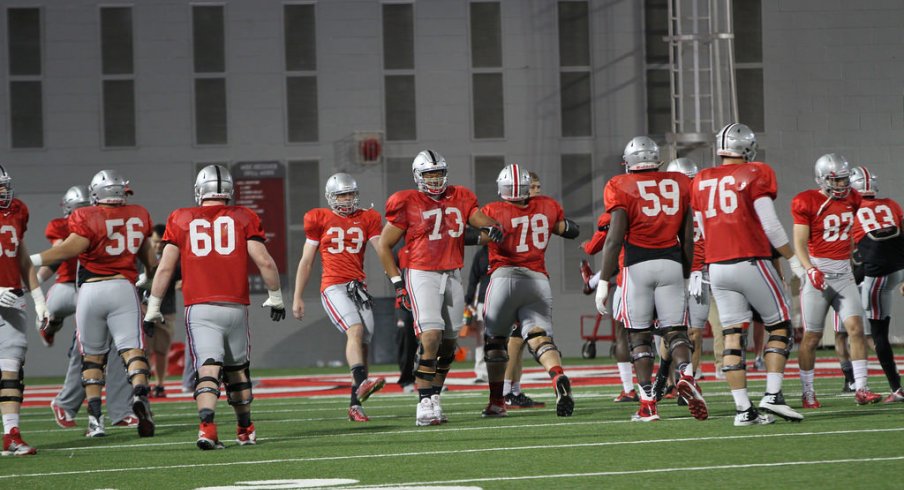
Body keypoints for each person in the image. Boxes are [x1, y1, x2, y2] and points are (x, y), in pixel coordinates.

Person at [144, 164, 284, 449]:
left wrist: (153, 307)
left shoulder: (181, 218)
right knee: (237, 370)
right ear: (229, 190)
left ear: (200, 191)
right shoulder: (244, 216)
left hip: (200, 307)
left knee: (208, 369)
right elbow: (266, 261)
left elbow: (164, 269)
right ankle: (245, 429)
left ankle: (207, 427)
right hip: (234, 306)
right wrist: (276, 296)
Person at [375, 149, 503, 426]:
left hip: (452, 273)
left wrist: (492, 226)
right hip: (421, 272)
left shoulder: (461, 196)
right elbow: (383, 245)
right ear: (418, 176)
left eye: (437, 173)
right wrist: (397, 282)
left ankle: (434, 395)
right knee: (430, 336)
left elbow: (476, 217)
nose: (434, 179)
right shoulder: (406, 201)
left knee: (449, 343)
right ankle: (423, 402)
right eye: (428, 174)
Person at [31, 169, 157, 439]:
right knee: (132, 351)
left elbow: (68, 250)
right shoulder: (138, 214)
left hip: (90, 289)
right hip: (124, 287)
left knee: (92, 357)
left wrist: (31, 260)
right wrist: (148, 283)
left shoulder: (85, 216)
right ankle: (140, 395)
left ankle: (95, 421)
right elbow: (151, 262)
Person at [690, 123, 802, 426]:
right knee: (780, 326)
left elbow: (698, 233)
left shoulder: (700, 180)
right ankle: (773, 396)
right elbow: (771, 224)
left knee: (731, 337)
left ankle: (744, 411)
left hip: (717, 267)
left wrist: (699, 268)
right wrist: (793, 259)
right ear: (748, 148)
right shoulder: (755, 173)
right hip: (750, 261)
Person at [596, 137, 706, 422]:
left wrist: (604, 281)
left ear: (629, 163)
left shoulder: (620, 185)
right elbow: (688, 235)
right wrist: (687, 273)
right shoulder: (679, 183)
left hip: (637, 265)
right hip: (670, 262)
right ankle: (686, 374)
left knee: (639, 337)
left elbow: (614, 238)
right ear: (656, 160)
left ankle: (647, 403)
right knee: (676, 332)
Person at [479, 164, 578, 418]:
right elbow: (570, 230)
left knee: (495, 342)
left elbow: (476, 237)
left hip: (504, 278)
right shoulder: (548, 206)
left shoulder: (493, 210)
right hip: (537, 280)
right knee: (539, 336)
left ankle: (497, 401)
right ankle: (557, 376)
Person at [292, 173, 386, 422]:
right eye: (341, 195)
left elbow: (381, 248)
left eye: (350, 194)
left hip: (358, 287)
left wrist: (398, 277)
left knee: (365, 342)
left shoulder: (368, 217)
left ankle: (356, 404)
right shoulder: (318, 218)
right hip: (333, 286)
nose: (346, 199)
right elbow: (306, 261)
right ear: (331, 197)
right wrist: (297, 296)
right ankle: (362, 383)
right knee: (354, 331)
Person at [791, 153, 882, 408]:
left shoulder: (853, 198)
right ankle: (808, 392)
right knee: (812, 337)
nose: (843, 185)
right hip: (818, 275)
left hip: (843, 274)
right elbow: (799, 241)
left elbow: (848, 232)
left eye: (844, 180)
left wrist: (852, 257)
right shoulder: (806, 201)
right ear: (823, 179)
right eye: (838, 180)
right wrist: (809, 269)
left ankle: (861, 387)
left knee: (856, 329)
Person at [42, 186, 135, 430]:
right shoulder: (69, 227)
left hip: (103, 290)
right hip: (77, 290)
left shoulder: (110, 222)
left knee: (116, 347)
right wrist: (30, 277)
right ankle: (69, 401)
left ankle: (119, 410)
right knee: (87, 349)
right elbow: (59, 255)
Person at [0, 163, 47, 456]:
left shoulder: (17, 210)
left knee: (12, 369)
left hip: (12, 299)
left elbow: (21, 257)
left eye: (4, 185)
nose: (4, 191)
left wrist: (39, 300)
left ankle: (11, 435)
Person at [849, 165, 903, 402]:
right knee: (879, 329)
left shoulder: (852, 209)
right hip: (897, 271)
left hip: (877, 275)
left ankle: (896, 388)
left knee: (877, 334)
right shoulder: (890, 203)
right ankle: (896, 388)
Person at [500, 171, 548, 409]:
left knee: (518, 340)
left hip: (527, 281)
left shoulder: (536, 211)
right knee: (514, 341)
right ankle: (505, 391)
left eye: (538, 187)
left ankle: (513, 390)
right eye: (533, 187)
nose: (536, 192)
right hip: (512, 280)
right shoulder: (511, 211)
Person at [579, 211, 637, 402]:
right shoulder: (662, 207)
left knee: (622, 334)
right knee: (663, 332)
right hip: (663, 274)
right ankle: (672, 383)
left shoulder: (614, 216)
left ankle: (630, 389)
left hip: (629, 278)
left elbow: (596, 247)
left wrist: (587, 245)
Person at [143, 224, 181, 398]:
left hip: (166, 308)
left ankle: (159, 384)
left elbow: (182, 278)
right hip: (144, 307)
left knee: (162, 350)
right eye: (156, 242)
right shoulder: (141, 256)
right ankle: (143, 383)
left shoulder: (173, 257)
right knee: (144, 349)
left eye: (161, 243)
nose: (158, 246)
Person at [464, 245, 490, 384]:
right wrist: (469, 299)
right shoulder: (481, 254)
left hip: (502, 299)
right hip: (483, 299)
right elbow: (473, 278)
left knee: (506, 337)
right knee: (481, 338)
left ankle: (507, 370)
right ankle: (481, 372)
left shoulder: (506, 249)